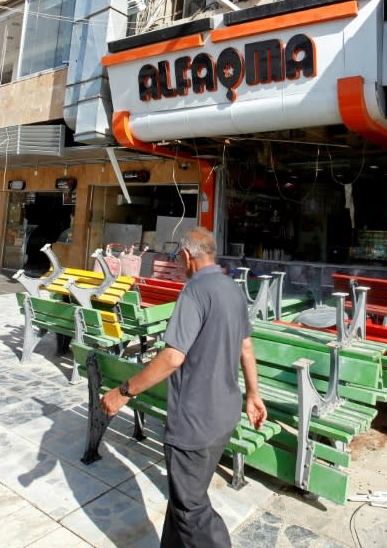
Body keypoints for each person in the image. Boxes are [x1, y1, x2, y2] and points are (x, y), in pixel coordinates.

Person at [101, 226, 267, 548]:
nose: (177, 264)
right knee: (185, 496)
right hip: (224, 417)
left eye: (178, 257)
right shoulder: (233, 289)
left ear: (188, 256)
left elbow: (173, 357)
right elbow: (246, 348)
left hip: (194, 423)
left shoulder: (194, 292)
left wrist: (123, 393)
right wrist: (254, 396)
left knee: (191, 508)